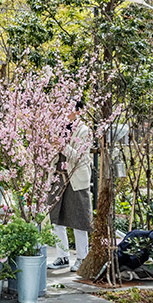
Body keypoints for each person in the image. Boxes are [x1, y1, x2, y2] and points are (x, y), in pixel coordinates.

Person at [48, 101, 93, 273]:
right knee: (56, 218)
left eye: (68, 109)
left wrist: (63, 146)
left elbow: (81, 158)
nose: (64, 112)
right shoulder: (58, 128)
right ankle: (63, 256)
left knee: (79, 219)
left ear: (78, 111)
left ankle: (82, 257)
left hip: (76, 179)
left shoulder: (84, 130)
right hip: (58, 178)